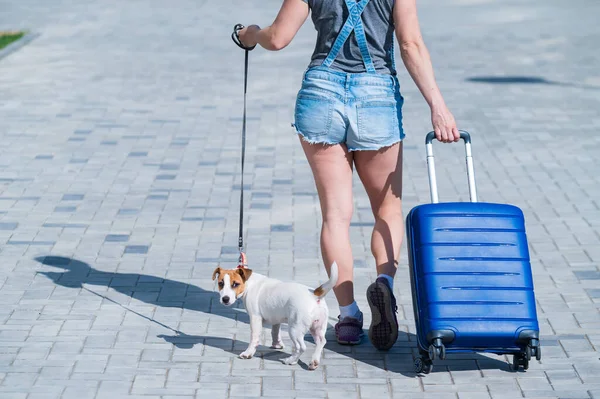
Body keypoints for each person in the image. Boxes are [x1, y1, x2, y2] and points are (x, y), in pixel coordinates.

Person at [238, 0, 460, 350]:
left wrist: (249, 34)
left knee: (336, 215)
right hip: (377, 96)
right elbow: (409, 44)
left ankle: (348, 316)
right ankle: (384, 282)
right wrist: (439, 107)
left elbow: (278, 38)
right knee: (387, 208)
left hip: (320, 96)